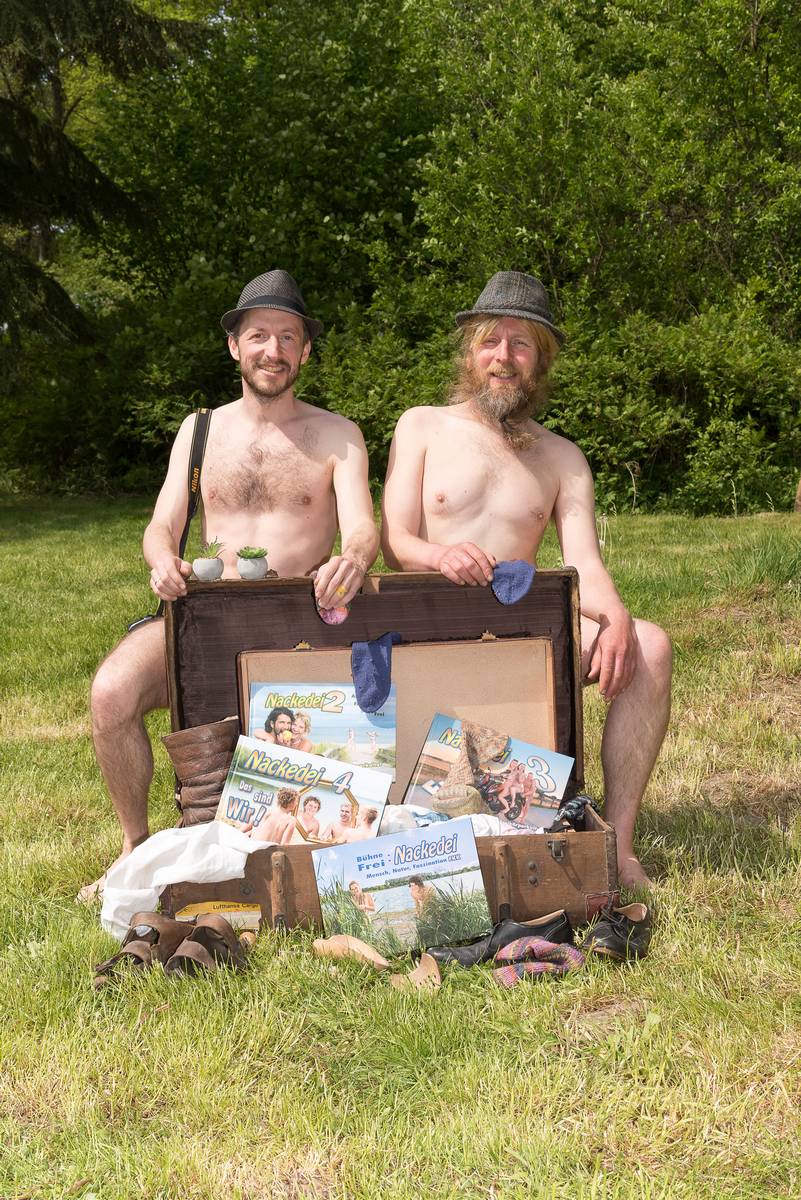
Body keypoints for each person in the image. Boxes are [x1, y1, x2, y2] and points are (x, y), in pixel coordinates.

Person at [81, 269, 379, 901]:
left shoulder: (338, 434)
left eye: (288, 337)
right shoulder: (200, 430)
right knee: (110, 694)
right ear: (234, 346)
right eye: (259, 335)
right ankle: (134, 844)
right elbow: (161, 525)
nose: (274, 350)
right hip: (207, 614)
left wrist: (352, 559)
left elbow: (361, 529)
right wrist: (162, 560)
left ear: (305, 350)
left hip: (297, 618)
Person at [381, 271, 672, 889]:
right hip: (431, 630)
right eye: (491, 341)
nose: (503, 357)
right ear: (469, 352)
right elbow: (396, 541)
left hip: (522, 637)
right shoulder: (422, 425)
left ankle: (617, 845)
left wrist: (616, 619)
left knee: (651, 644)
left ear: (540, 362)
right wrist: (440, 556)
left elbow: (584, 564)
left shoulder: (562, 457)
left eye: (521, 345)